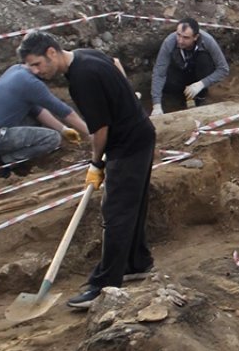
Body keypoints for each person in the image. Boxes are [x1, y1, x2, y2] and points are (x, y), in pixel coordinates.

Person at [19, 31, 157, 309]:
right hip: (141, 133)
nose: (35, 71)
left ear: (51, 53)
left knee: (115, 212)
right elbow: (116, 64)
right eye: (30, 67)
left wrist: (96, 162)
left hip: (127, 144)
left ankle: (104, 285)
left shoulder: (82, 79)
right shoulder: (85, 55)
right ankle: (137, 263)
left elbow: (100, 130)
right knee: (133, 204)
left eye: (37, 64)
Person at [0, 64, 90, 172]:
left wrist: (64, 129)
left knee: (36, 121)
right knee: (52, 138)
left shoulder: (16, 70)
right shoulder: (30, 83)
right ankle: (3, 163)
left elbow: (37, 111)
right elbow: (62, 110)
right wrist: (91, 134)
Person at [149, 18, 231, 117]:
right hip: (180, 71)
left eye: (186, 37)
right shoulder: (169, 42)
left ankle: (200, 96)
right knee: (168, 81)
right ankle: (179, 97)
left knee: (204, 60)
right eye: (178, 35)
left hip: (198, 73)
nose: (180, 41)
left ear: (195, 37)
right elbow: (159, 73)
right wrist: (156, 105)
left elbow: (223, 69)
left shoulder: (207, 41)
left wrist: (201, 84)